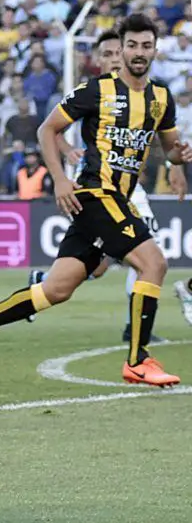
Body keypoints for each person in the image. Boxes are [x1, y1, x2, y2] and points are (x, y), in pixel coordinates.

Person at [0, 14, 192, 387]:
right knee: (154, 263)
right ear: (122, 50)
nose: (139, 52)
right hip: (96, 194)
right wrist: (61, 180)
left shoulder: (161, 98)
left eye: (146, 45)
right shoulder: (96, 91)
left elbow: (169, 149)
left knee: (56, 289)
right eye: (132, 45)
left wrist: (180, 156)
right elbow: (49, 128)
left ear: (155, 50)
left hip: (117, 200)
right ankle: (138, 360)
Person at [28, 30, 169, 343]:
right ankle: (136, 336)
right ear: (97, 59)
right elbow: (51, 130)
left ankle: (44, 283)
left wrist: (168, 163)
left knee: (111, 262)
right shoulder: (91, 91)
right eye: (105, 55)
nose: (112, 59)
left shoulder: (142, 92)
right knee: (147, 255)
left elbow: (157, 135)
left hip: (127, 188)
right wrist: (67, 154)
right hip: (95, 185)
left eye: (115, 52)